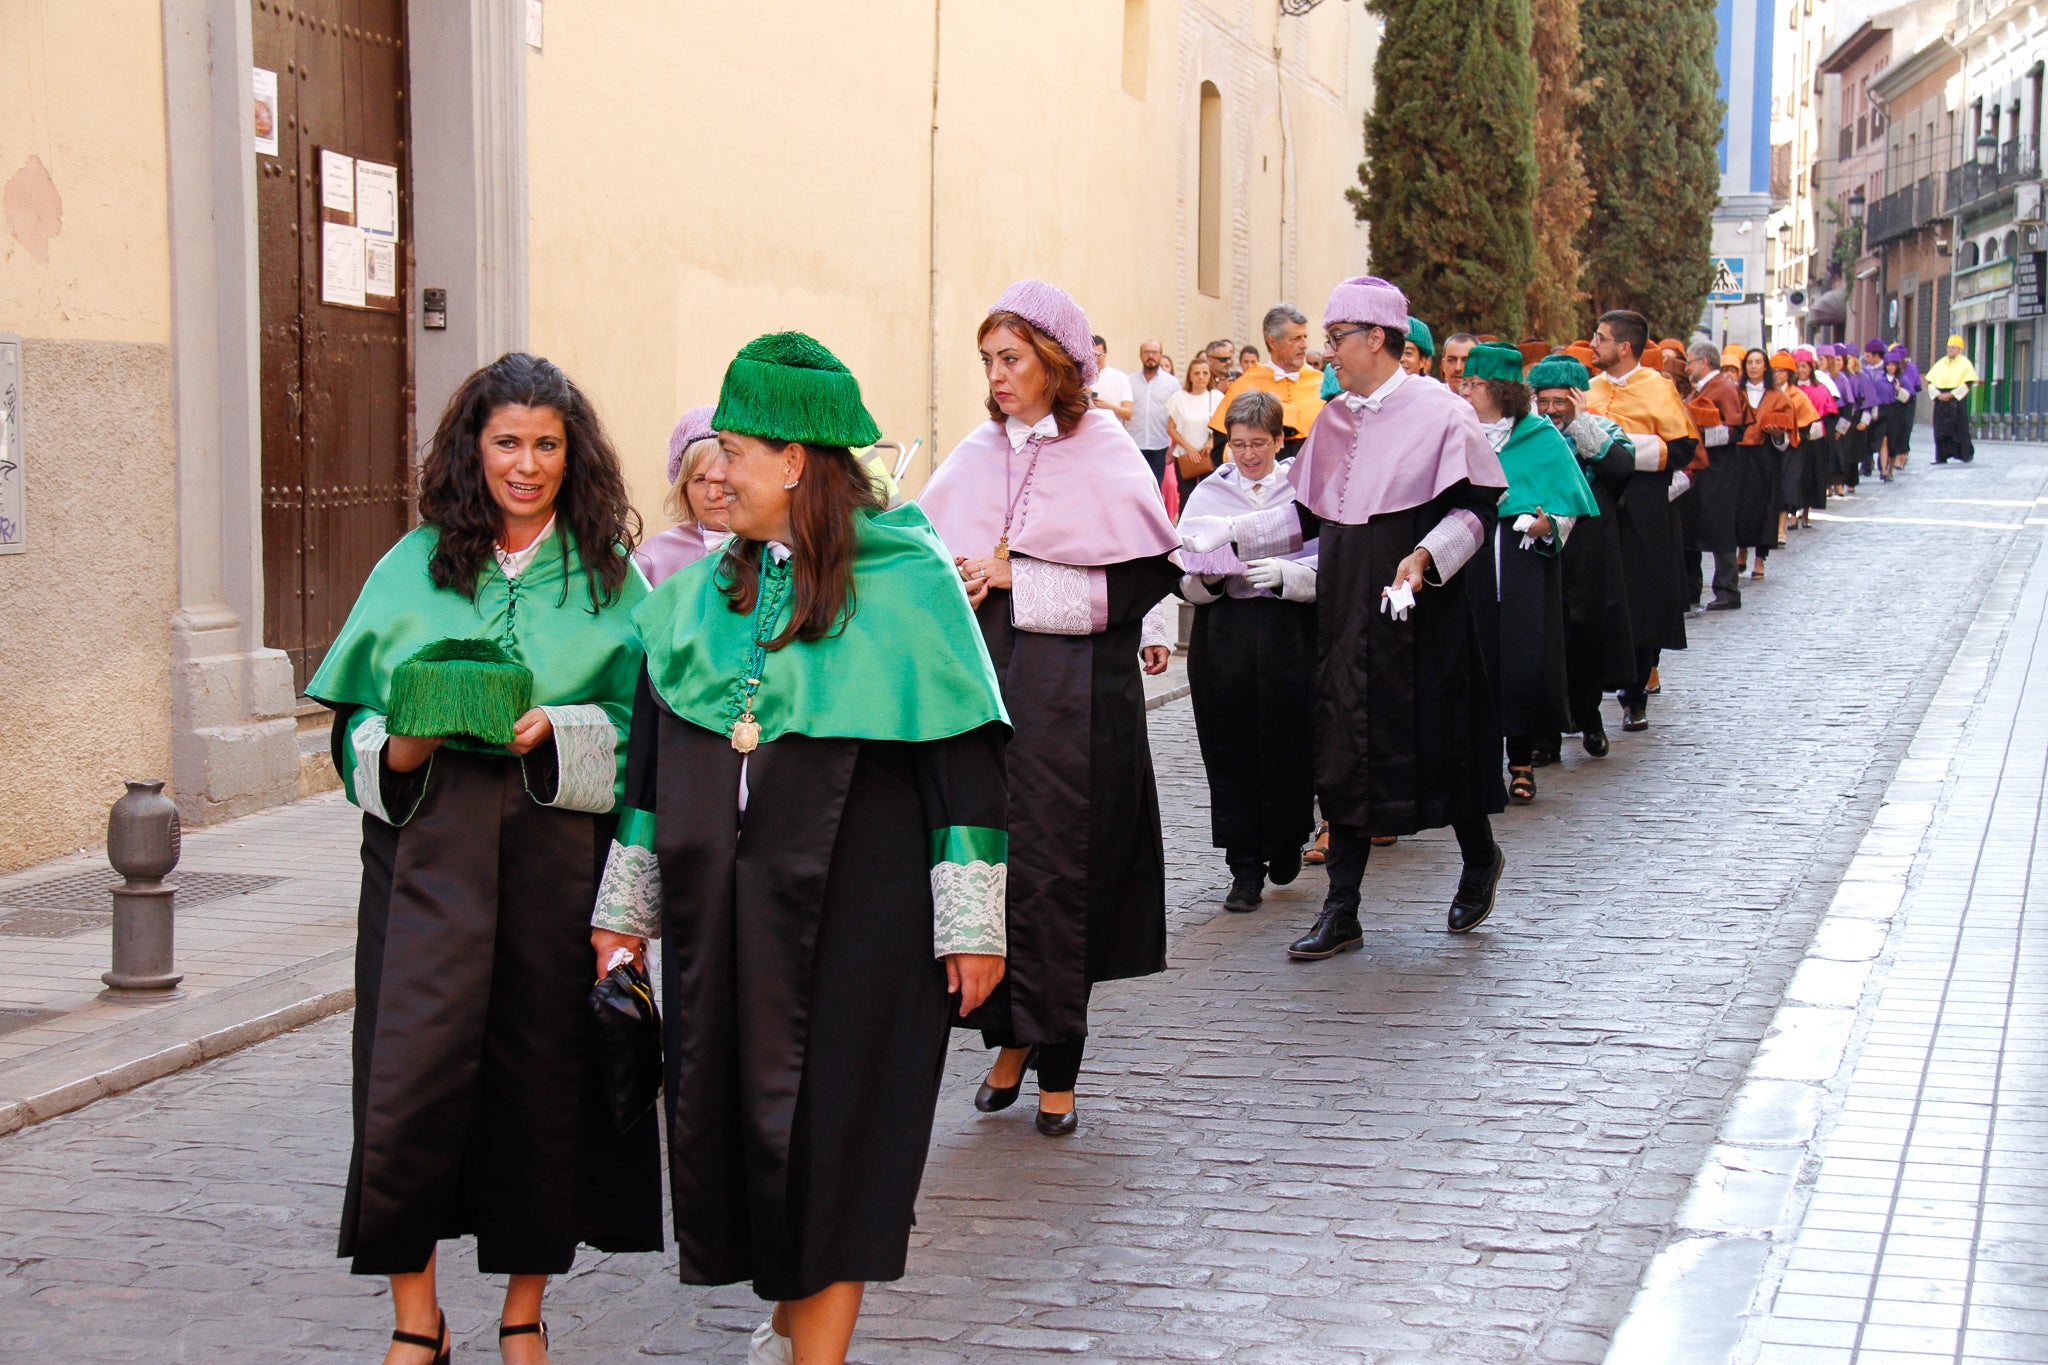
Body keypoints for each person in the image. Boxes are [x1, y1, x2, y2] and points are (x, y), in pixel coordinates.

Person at [587, 332, 1011, 1365]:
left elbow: (962, 772)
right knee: (739, 1124)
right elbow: (647, 769)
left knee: (844, 1136)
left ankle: (817, 1351)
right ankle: (789, 1315)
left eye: (732, 449)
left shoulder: (908, 585)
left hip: (867, 920)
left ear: (796, 461)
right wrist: (622, 911)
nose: (713, 470)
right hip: (722, 920)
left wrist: (973, 925)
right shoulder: (692, 597)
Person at [309, 353, 661, 1365]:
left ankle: (522, 1311)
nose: (526, 464)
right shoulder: (412, 565)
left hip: (556, 859)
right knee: (406, 1084)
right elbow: (352, 730)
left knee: (541, 1085)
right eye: (507, 442)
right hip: (427, 862)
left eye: (546, 445)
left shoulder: (609, 578)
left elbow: (649, 733)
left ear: (572, 454)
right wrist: (406, 742)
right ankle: (416, 1320)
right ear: (473, 448)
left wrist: (560, 724)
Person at [918, 279, 1180, 1137]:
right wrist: (960, 578)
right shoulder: (976, 447)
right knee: (995, 869)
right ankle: (1008, 1040)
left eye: (1013, 359)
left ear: (1055, 364)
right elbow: (929, 547)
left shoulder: (1102, 445)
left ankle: (1058, 1057)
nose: (996, 376)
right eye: (988, 360)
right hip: (992, 697)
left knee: (1068, 877)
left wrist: (1017, 577)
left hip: (1082, 709)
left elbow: (1144, 576)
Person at [1191, 276, 1507, 954]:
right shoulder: (1334, 419)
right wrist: (1231, 534)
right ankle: (1343, 909)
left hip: (1421, 617)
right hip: (1341, 615)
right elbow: (1306, 514)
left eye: (1336, 340)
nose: (1328, 353)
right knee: (1343, 754)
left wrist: (1426, 555)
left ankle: (1479, 856)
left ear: (1377, 339)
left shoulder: (1443, 413)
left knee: (1439, 745)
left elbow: (1478, 511)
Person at [1177, 390, 1317, 913]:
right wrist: (1206, 576)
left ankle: (1286, 840)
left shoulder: (1303, 491)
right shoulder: (1208, 493)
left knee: (1289, 737)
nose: (1249, 455)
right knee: (1230, 742)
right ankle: (1243, 867)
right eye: (1238, 444)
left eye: (1260, 443)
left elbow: (1331, 558)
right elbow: (1182, 570)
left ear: (1280, 441)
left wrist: (1294, 575)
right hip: (1227, 632)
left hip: (1289, 627)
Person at [1457, 344, 1599, 804]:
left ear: (1500, 389)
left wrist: (1547, 525)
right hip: (1470, 559)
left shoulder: (1539, 435)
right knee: (1474, 661)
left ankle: (1521, 762)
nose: (1467, 389)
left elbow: (1566, 504)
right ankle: (1479, 768)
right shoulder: (1457, 432)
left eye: (1475, 383)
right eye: (1466, 382)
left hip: (1520, 562)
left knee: (1520, 661)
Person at [1588, 309, 1698, 733]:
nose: (1594, 344)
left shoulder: (1658, 388)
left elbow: (1684, 448)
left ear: (1624, 346)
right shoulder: (1589, 387)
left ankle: (1635, 693)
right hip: (1596, 503)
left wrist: (1623, 449)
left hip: (1643, 508)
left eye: (1600, 337)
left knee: (1642, 599)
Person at [1530, 355, 1635, 756]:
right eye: (1545, 401)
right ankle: (1546, 737)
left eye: (1561, 401)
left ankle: (1589, 719)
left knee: (1586, 636)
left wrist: (1582, 423)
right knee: (1544, 640)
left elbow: (1619, 468)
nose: (1552, 410)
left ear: (1578, 398)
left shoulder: (1603, 430)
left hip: (1590, 550)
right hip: (1540, 545)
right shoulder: (1528, 436)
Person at [1684, 342, 1750, 610]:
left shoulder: (1724, 388)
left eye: (1690, 362)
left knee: (1719, 527)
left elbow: (1736, 430)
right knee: (1691, 526)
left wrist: (1698, 436)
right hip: (1699, 468)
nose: (1686, 367)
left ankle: (1727, 589)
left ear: (1704, 362)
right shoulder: (1702, 389)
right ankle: (1690, 591)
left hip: (1718, 469)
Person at [634, 404, 731, 585]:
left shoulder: (779, 549)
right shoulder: (653, 557)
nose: (713, 494)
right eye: (700, 480)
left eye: (723, 479)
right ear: (683, 489)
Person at [1212, 305, 1326, 456]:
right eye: (1296, 339)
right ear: (1272, 342)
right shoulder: (1245, 385)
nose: (1304, 345)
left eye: (1304, 337)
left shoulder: (1323, 385)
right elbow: (1220, 449)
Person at [1325, 314, 1434, 398]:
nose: (1401, 359)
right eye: (1397, 351)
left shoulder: (1438, 404)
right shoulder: (1348, 406)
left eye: (1408, 353)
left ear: (1424, 362)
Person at [1168, 352, 1227, 508]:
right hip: (1185, 456)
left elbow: (1222, 425)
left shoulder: (1216, 397)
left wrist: (1211, 441)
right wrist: (1189, 449)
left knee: (1209, 497)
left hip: (1208, 455)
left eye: (1205, 373)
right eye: (1197, 373)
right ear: (1190, 376)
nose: (1201, 377)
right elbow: (1171, 428)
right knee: (1186, 497)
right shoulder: (1179, 398)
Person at [1789, 348, 1835, 529]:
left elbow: (1829, 413)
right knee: (1793, 478)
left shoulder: (1821, 389)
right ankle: (1792, 515)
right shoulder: (1790, 390)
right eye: (1798, 367)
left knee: (1809, 477)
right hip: (1794, 439)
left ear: (1811, 368)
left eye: (1804, 366)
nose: (1801, 370)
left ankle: (1806, 513)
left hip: (1813, 441)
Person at [1127, 339, 1180, 487]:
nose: (1151, 356)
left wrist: (1173, 447)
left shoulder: (1172, 383)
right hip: (1135, 445)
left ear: (1161, 355)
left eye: (1155, 352)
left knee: (1155, 488)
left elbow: (1176, 417)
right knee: (1135, 488)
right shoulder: (1129, 381)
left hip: (1160, 446)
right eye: (1147, 352)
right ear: (1140, 355)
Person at [1927, 335, 1979, 464]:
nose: (1950, 350)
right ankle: (1941, 457)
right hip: (1941, 402)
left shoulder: (1965, 364)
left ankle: (1965, 454)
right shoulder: (1940, 363)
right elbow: (1931, 383)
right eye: (1949, 348)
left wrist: (1951, 395)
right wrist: (1939, 395)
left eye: (1953, 348)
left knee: (1959, 428)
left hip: (1956, 402)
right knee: (1940, 430)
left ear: (1959, 349)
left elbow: (1967, 384)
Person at [1879, 343, 1921, 478]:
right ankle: (1884, 471)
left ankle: (1890, 469)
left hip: (1897, 414)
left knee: (1893, 444)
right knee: (1883, 442)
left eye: (1893, 365)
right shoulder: (1880, 380)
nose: (1890, 367)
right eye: (1888, 365)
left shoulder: (1903, 379)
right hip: (1883, 413)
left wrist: (1898, 390)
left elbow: (1909, 396)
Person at [1090, 335, 1134, 425]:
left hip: (1112, 433)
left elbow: (1128, 413)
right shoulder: (1081, 378)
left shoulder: (1119, 377)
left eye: (1099, 355)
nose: (1095, 359)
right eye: (1091, 354)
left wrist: (1108, 406)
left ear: (1105, 353)